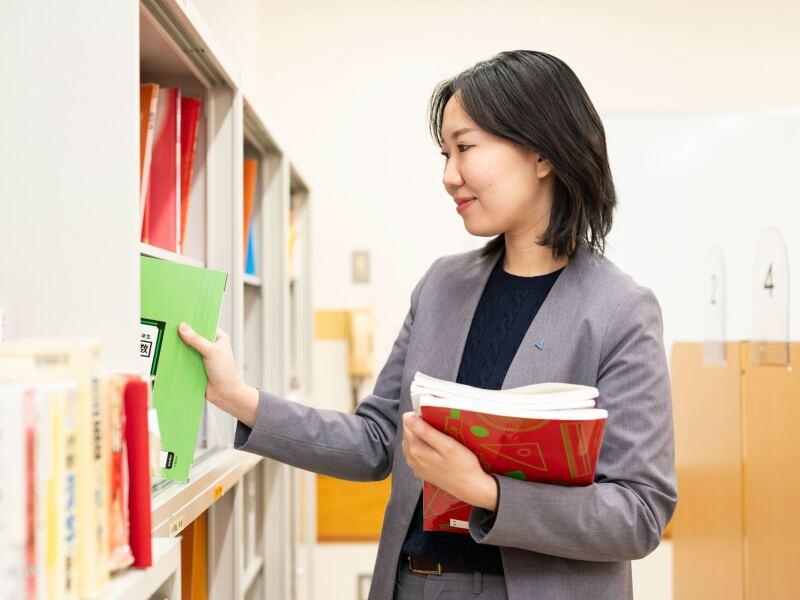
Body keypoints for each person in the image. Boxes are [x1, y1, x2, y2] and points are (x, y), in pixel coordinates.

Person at [178, 50, 677, 600]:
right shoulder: (442, 286)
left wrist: (487, 492)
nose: (448, 176)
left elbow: (640, 512)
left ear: (542, 153)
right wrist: (239, 397)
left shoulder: (621, 309)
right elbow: (376, 441)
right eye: (445, 153)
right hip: (415, 583)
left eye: (465, 148)